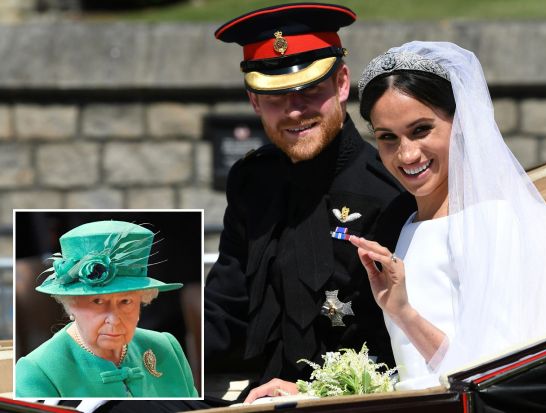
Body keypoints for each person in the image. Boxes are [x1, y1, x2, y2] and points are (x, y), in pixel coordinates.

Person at [347, 41, 546, 389]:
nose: (407, 154)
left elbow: (492, 372)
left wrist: (404, 313)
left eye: (421, 130)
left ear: (459, 123)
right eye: (388, 137)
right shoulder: (407, 227)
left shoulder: (488, 222)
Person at [205, 2, 402, 404]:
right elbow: (226, 309)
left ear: (342, 84)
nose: (295, 111)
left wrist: (314, 391)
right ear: (254, 101)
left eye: (311, 91)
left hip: (357, 401)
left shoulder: (389, 187)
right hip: (255, 396)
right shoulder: (250, 181)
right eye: (275, 97)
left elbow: (403, 339)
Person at [15, 220, 199, 398]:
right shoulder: (37, 371)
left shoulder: (166, 347)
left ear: (142, 301)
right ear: (70, 303)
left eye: (126, 301)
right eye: (97, 302)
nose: (114, 319)